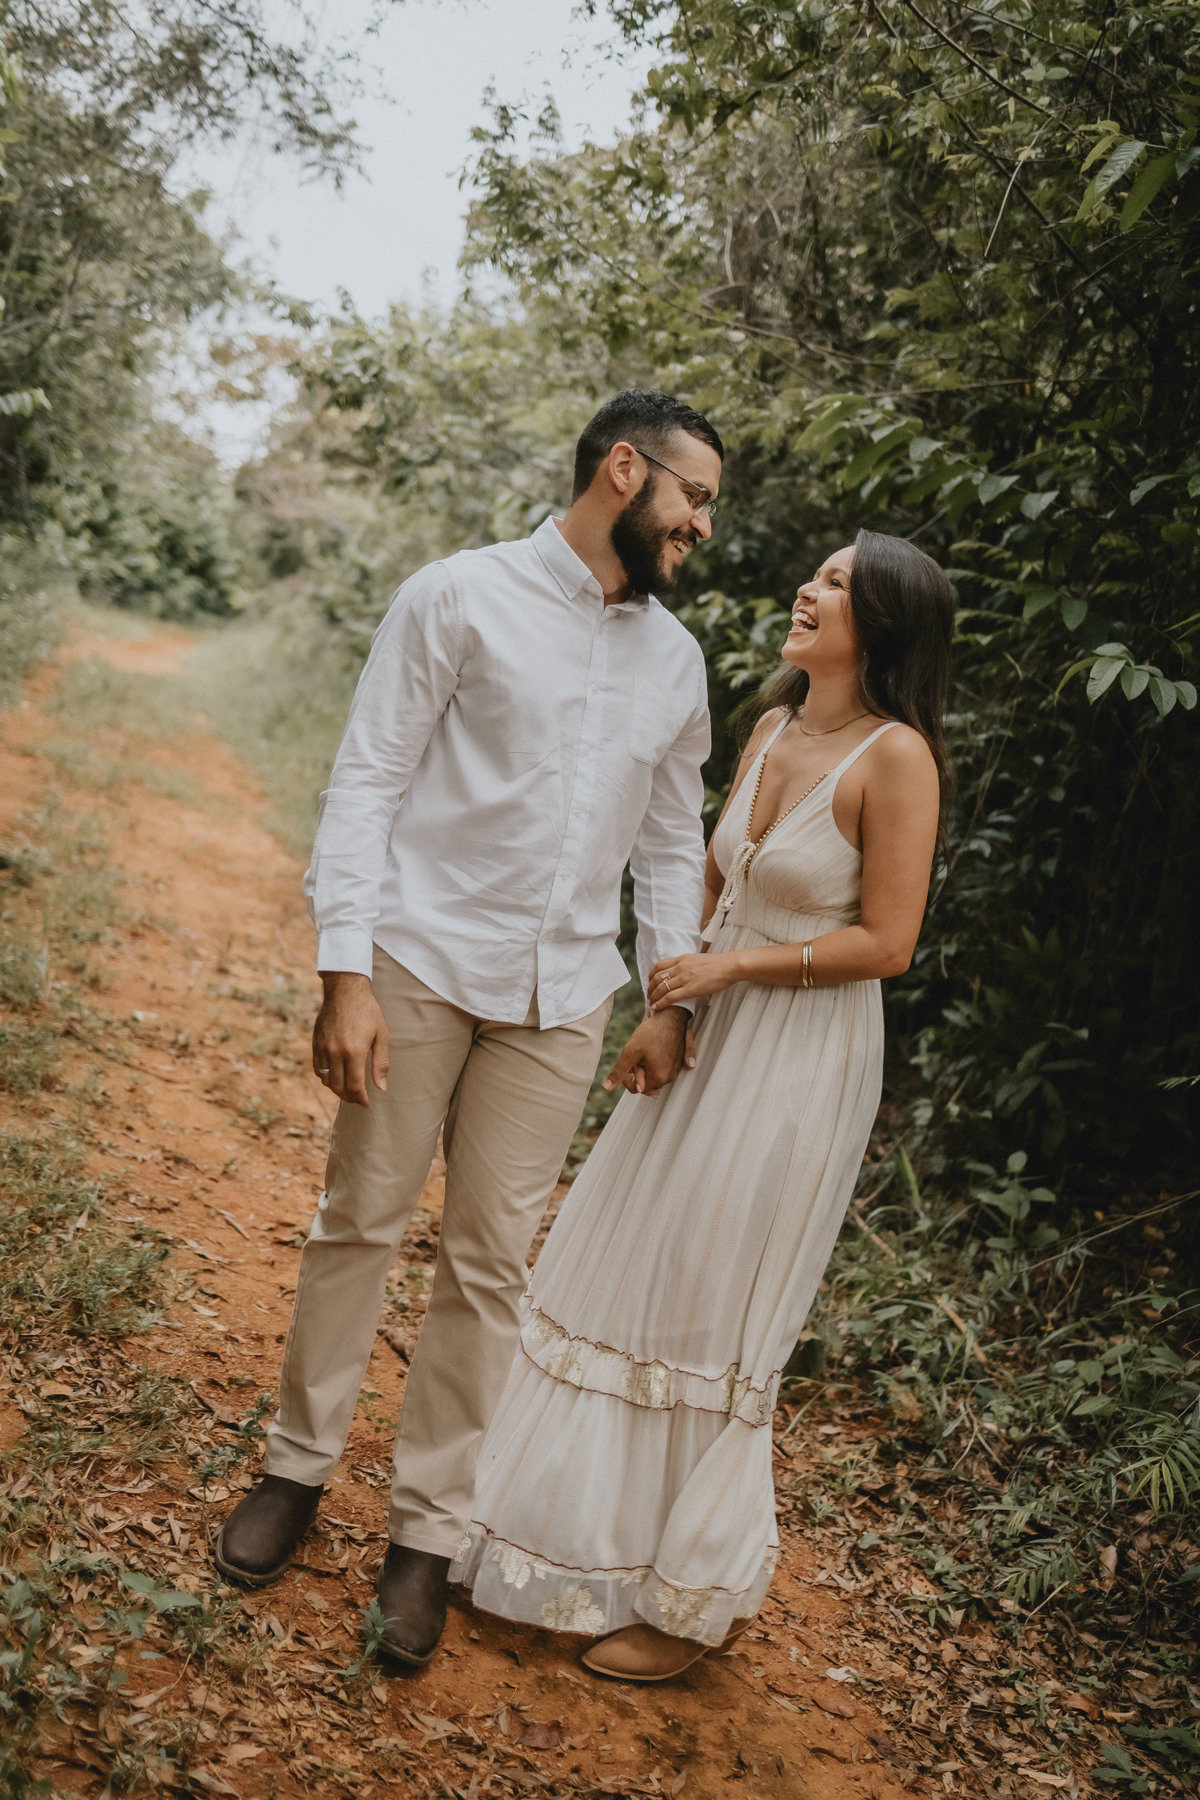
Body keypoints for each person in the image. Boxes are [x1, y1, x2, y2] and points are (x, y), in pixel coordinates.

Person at [213, 389, 726, 1669]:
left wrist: (669, 999)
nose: (704, 527)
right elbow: (367, 778)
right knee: (360, 1219)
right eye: (695, 497)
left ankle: (425, 1538)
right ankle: (295, 1469)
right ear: (624, 471)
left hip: (564, 999)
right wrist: (345, 972)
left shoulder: (676, 661)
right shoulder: (457, 595)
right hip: (421, 958)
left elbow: (672, 844)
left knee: (492, 1267)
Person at [451, 529, 955, 1681]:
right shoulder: (772, 729)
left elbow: (889, 941)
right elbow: (711, 881)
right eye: (816, 574)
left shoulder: (897, 758)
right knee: (621, 1259)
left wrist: (733, 970)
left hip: (799, 1056)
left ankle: (688, 1602)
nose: (809, 590)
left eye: (837, 583)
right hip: (707, 1026)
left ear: (883, 623)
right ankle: (549, 1535)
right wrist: (668, 1007)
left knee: (714, 1295)